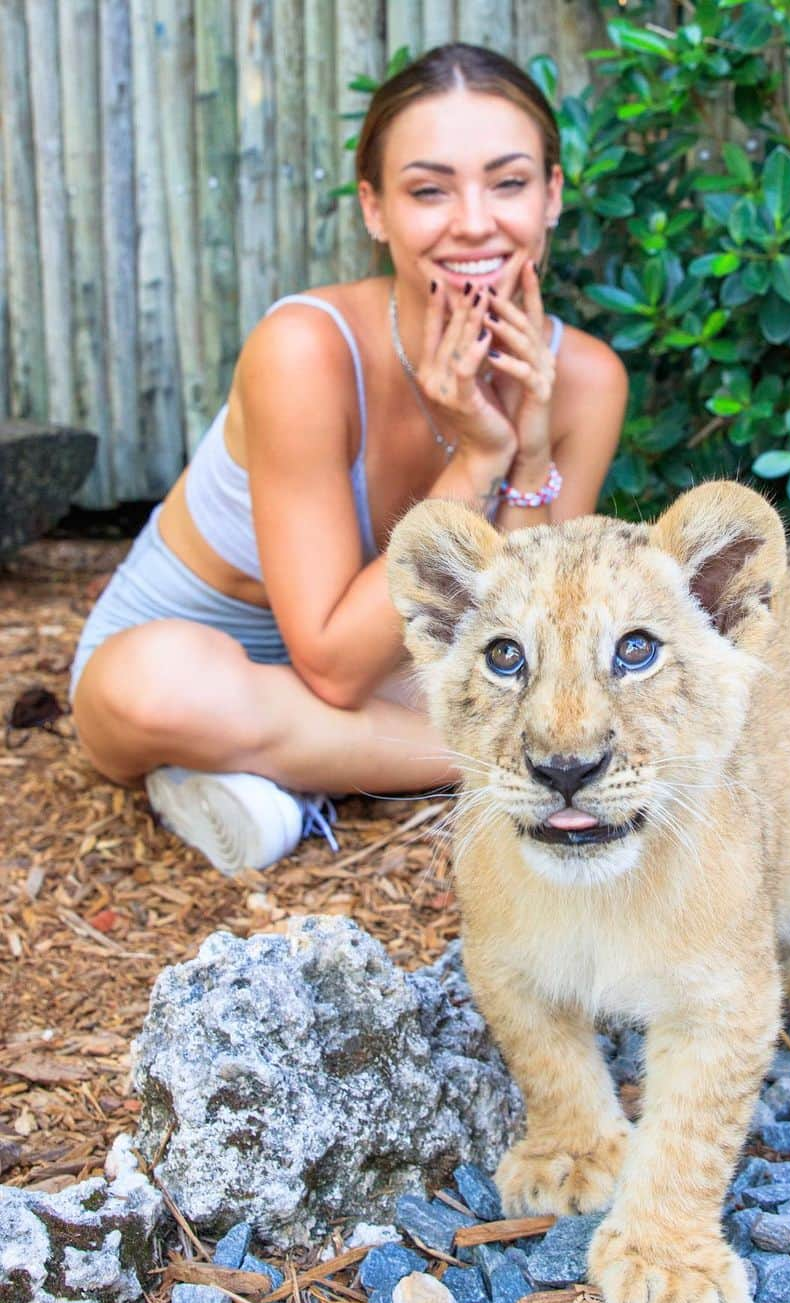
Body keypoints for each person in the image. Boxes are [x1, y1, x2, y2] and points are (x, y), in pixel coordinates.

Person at [70, 43, 628, 876]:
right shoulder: (303, 349)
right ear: (375, 209)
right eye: (429, 189)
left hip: (405, 673)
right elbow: (330, 667)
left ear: (550, 196)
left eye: (507, 183)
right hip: (212, 666)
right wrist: (478, 455)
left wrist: (531, 448)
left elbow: (532, 637)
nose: (474, 220)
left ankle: (293, 777)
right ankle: (497, 773)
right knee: (146, 683)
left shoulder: (586, 380)